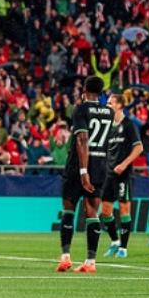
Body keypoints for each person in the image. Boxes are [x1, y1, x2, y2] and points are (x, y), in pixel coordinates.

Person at [56, 76, 113, 273]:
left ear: (85, 89)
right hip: (100, 165)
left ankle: (65, 257)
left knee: (69, 208)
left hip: (79, 167)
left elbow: (82, 139)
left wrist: (82, 171)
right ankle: (90, 262)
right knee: (92, 212)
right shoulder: (109, 112)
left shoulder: (81, 109)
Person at [99, 94, 143, 258]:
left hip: (123, 175)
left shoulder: (129, 125)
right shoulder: (108, 126)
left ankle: (123, 248)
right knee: (105, 212)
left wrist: (124, 164)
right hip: (108, 175)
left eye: (110, 103)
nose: (107, 106)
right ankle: (115, 241)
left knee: (124, 210)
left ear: (119, 105)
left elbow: (139, 148)